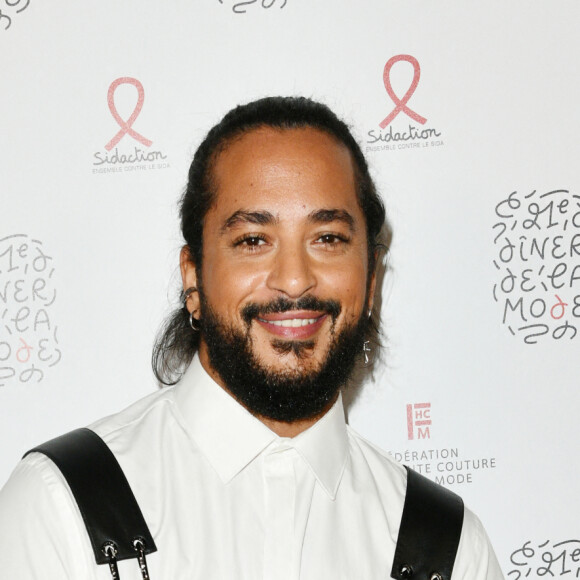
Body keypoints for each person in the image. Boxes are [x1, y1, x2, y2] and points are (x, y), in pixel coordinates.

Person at [0, 96, 504, 579]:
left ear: (371, 281)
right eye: (253, 240)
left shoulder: (447, 547)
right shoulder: (60, 505)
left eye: (327, 238)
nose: (293, 278)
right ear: (193, 278)